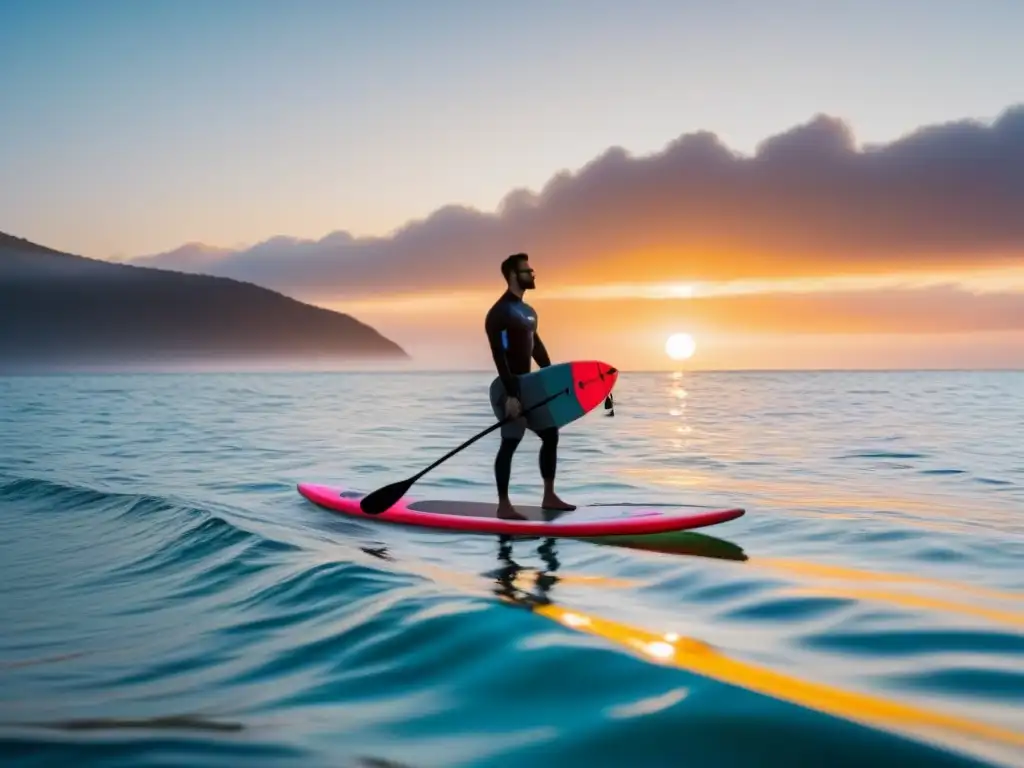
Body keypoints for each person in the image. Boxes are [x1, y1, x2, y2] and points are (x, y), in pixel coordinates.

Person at [484, 252, 575, 520]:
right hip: (507, 388)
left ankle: (549, 496)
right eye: (527, 270)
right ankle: (503, 505)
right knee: (511, 441)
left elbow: (536, 346)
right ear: (514, 275)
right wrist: (512, 396)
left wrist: (552, 379)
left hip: (530, 386)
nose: (533, 274)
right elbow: (499, 354)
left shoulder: (528, 312)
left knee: (551, 435)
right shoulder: (499, 313)